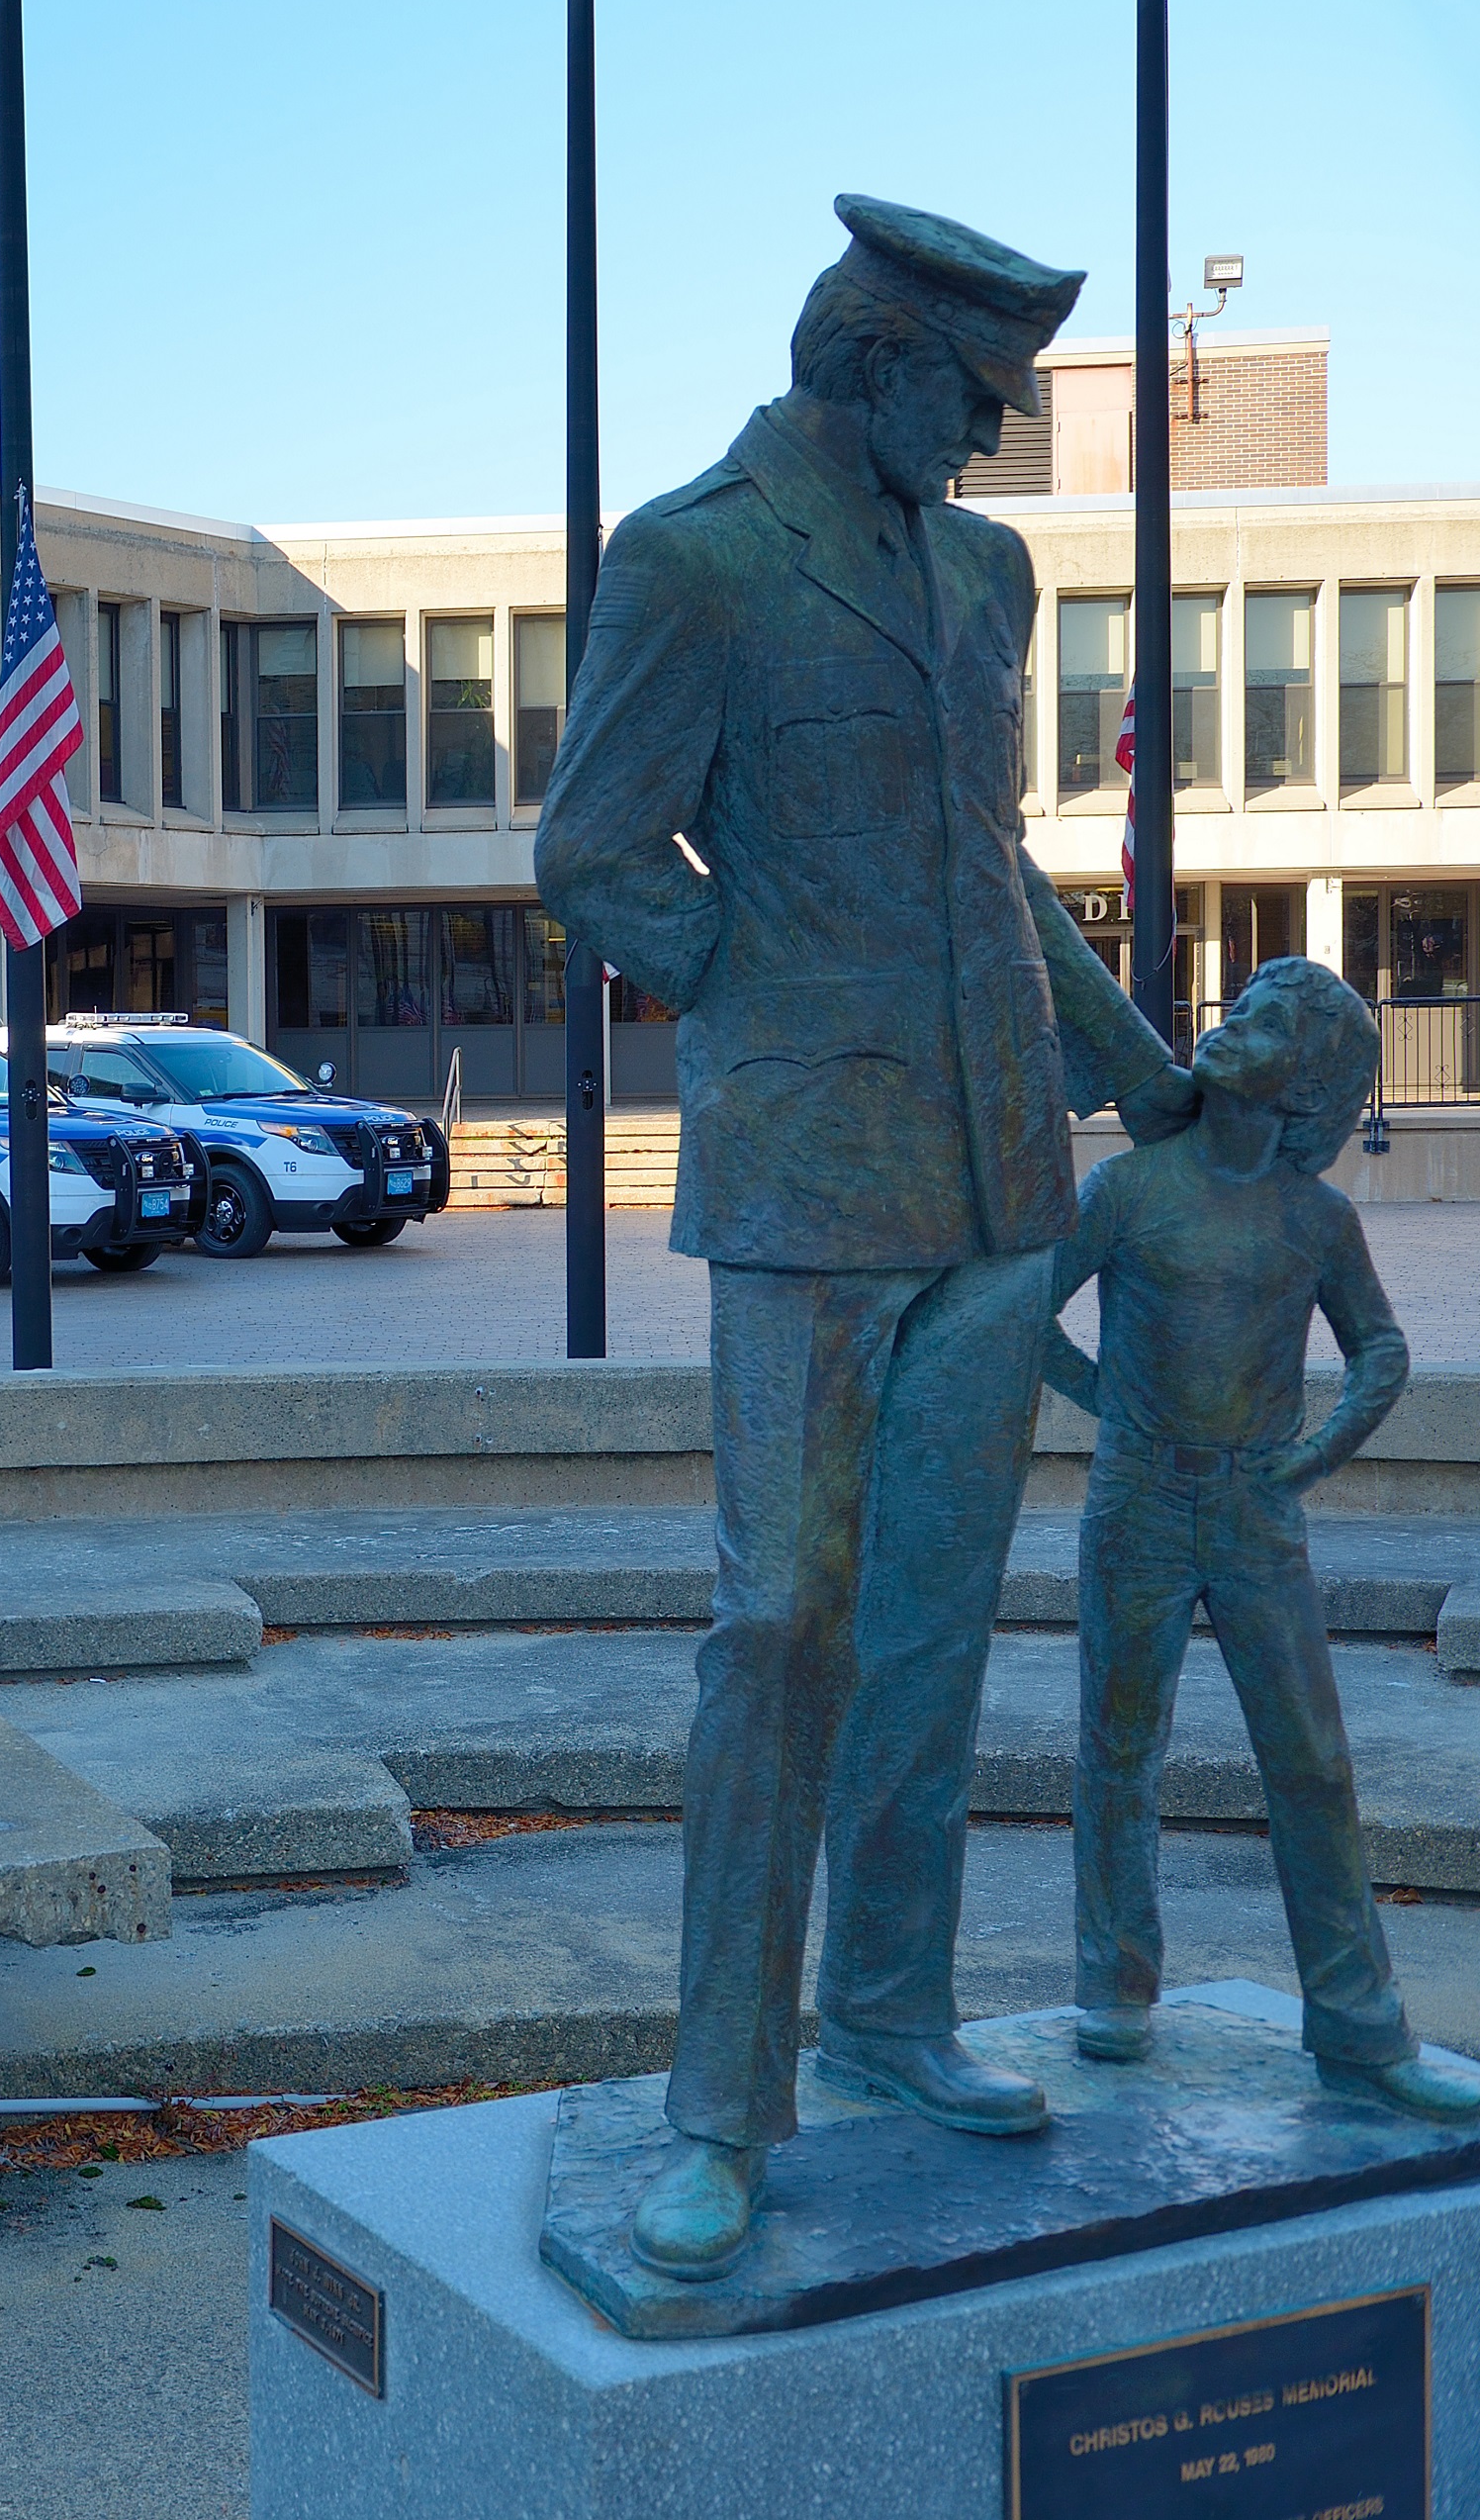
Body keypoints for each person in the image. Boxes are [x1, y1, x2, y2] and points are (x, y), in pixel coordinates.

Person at [535, 196, 1199, 2282]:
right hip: (809, 1188)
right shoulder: (695, 554)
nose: (998, 437)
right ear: (875, 361)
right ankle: (721, 2101)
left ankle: (890, 2015)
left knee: (924, 1633)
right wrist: (760, 986)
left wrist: (1144, 1070)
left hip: (999, 1187)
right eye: (980, 396)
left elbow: (989, 871)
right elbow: (589, 849)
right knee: (776, 1633)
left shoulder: (984, 569)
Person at [1040, 958, 1478, 2117]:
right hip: (1137, 1496)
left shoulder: (1316, 1217)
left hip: (1255, 1510)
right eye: (1237, 1007)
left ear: (1311, 1080)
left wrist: (1318, 1449)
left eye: (1268, 1020)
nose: (1232, 1023)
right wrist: (1107, 1407)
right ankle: (1113, 1987)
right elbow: (1024, 1309)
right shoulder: (1129, 1187)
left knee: (1311, 1762)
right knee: (1118, 1745)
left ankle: (1358, 2026)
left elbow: (1379, 1347)